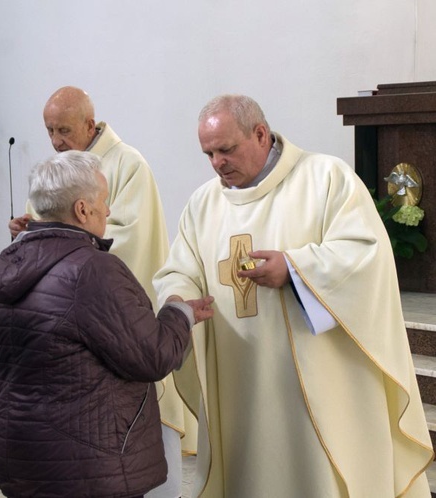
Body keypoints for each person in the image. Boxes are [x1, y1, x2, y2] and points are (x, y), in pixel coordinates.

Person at [154, 94, 434, 497]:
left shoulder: (325, 179)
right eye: (209, 153)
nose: (217, 163)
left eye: (226, 149)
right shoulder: (202, 204)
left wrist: (294, 269)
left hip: (321, 385)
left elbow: (365, 255)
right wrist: (179, 297)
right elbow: (179, 267)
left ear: (261, 133)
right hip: (241, 382)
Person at [0, 150, 215, 498]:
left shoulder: (11, 266)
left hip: (25, 453)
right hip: (86, 463)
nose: (107, 211)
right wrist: (180, 314)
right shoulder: (92, 270)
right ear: (82, 209)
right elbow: (152, 356)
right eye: (103, 201)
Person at [9, 86, 192, 498]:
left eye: (64, 129)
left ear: (90, 125)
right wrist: (28, 231)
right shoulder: (56, 170)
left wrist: (55, 241)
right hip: (63, 329)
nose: (56, 141)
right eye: (49, 130)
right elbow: (48, 228)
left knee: (141, 427)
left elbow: (129, 236)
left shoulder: (128, 164)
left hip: (115, 317)